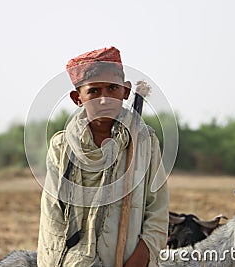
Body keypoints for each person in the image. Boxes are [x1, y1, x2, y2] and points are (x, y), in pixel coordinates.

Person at [37, 47, 169, 267]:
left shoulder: (145, 142)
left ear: (126, 92)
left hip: (127, 260)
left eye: (112, 89)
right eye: (94, 91)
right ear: (77, 98)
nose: (104, 99)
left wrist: (142, 255)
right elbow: (52, 216)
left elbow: (157, 208)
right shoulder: (62, 146)